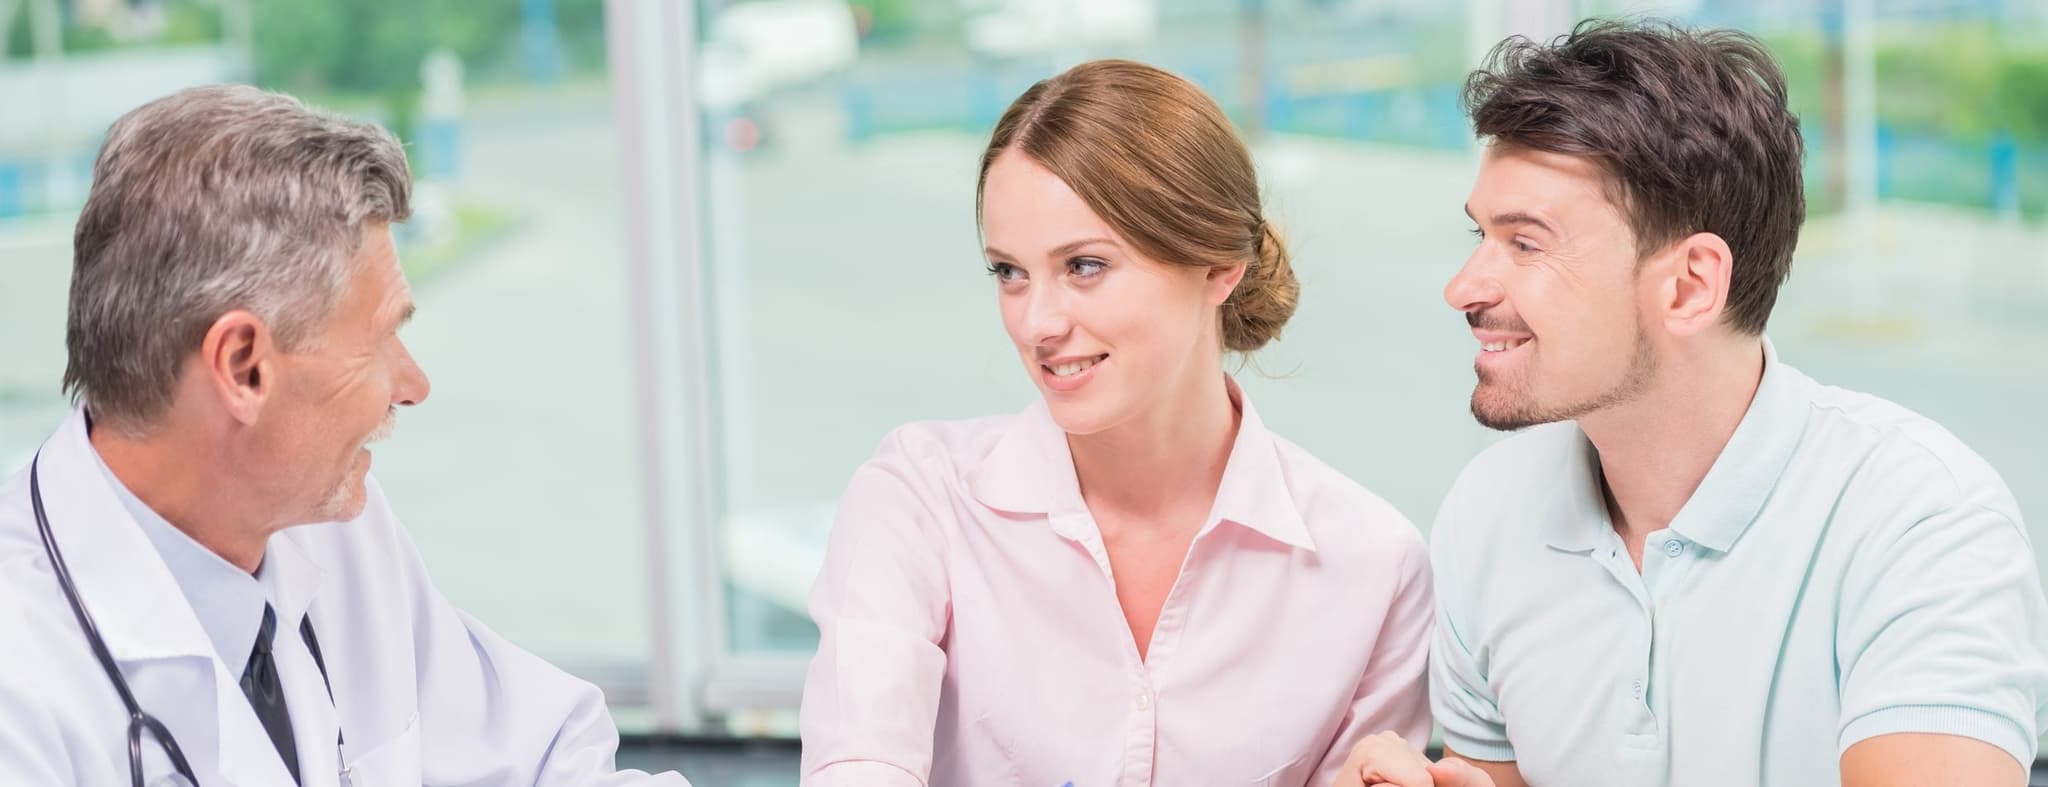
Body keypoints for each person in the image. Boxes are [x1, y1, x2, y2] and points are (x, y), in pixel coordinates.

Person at [1334, 19, 2048, 787]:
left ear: (1690, 285)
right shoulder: (1489, 512)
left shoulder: (1921, 521)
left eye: (1526, 243)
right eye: (1480, 234)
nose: (1463, 286)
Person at [0, 84, 691, 786]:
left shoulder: (327, 526)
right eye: (383, 336)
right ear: (243, 366)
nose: (413, 383)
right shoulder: (19, 689)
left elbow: (543, 756)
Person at [797, 59, 1433, 786]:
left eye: (1086, 265)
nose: (1037, 324)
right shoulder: (919, 500)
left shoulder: (1374, 568)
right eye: (1009, 272)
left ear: (1219, 264)